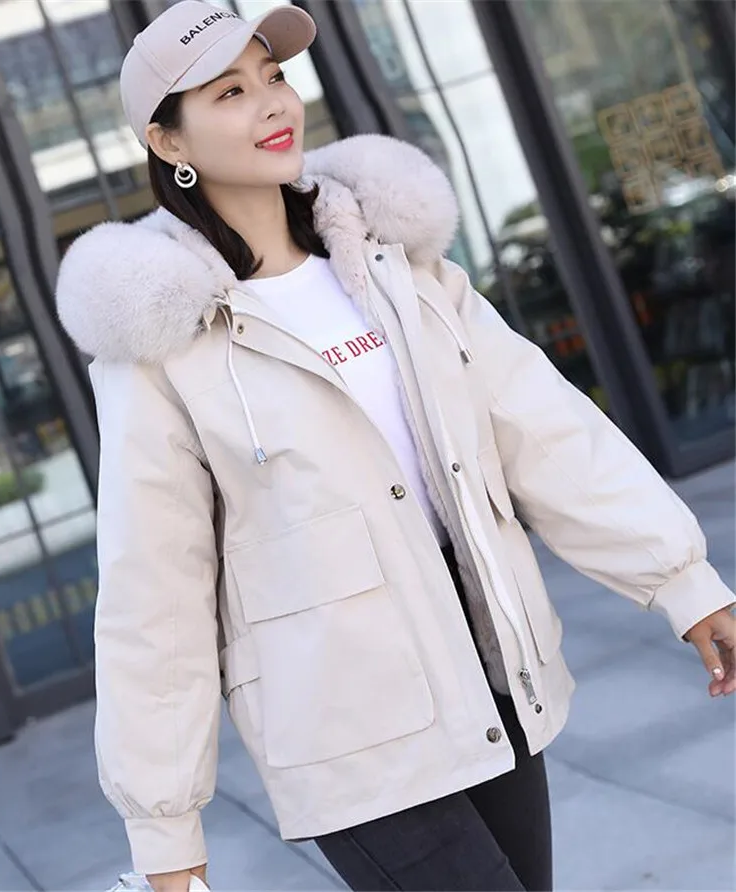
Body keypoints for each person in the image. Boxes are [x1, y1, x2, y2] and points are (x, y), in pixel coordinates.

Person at [56, 2, 736, 891]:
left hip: (491, 668)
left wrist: (680, 579)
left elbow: (540, 425)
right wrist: (164, 827)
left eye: (274, 77)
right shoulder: (161, 347)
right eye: (229, 93)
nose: (273, 104)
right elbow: (154, 592)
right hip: (348, 729)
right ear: (168, 141)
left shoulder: (392, 264)